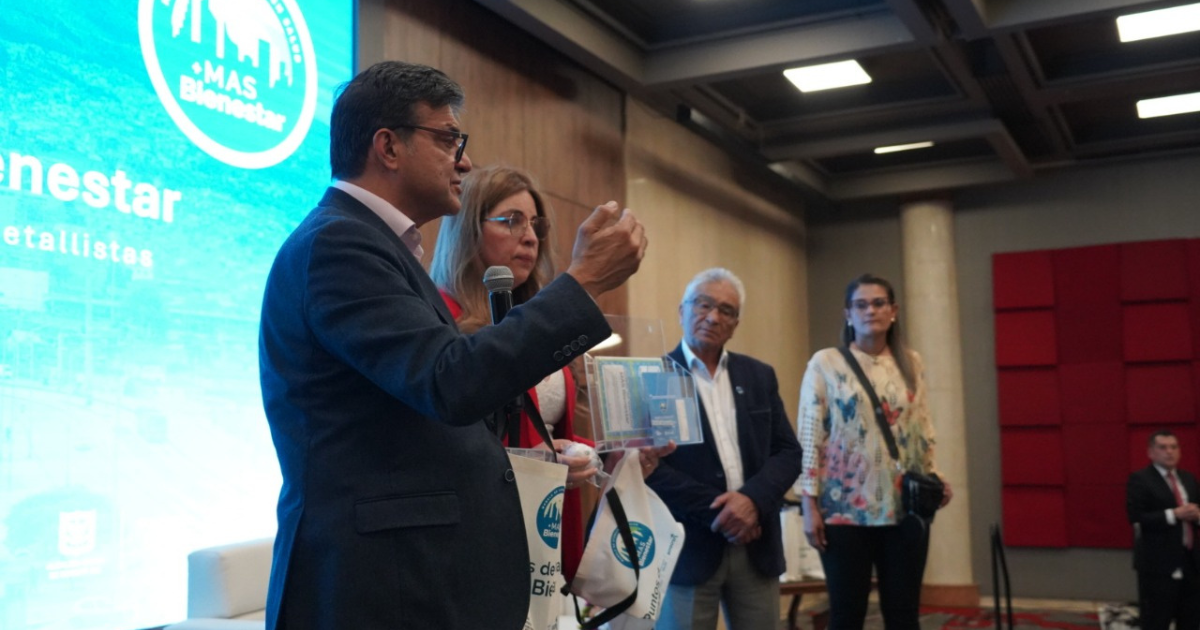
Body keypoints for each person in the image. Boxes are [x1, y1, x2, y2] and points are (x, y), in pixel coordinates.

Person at [258, 61, 647, 630]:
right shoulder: (339, 245)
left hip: (417, 579)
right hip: (383, 586)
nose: (464, 159)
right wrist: (581, 283)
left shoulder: (377, 246)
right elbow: (448, 382)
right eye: (447, 140)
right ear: (387, 146)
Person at [428, 164, 597, 583]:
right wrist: (537, 459)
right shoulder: (439, 321)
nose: (531, 237)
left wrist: (605, 456)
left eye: (535, 225)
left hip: (547, 522)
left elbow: (548, 427)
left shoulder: (538, 323)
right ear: (468, 228)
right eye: (511, 221)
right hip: (480, 533)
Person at [646, 267, 803, 630]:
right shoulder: (655, 376)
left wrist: (751, 502)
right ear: (681, 310)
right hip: (689, 545)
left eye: (726, 310)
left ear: (735, 323)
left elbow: (788, 451)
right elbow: (652, 469)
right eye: (703, 304)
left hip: (756, 544)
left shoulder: (758, 376)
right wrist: (724, 513)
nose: (713, 316)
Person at [795, 273, 952, 630]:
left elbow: (923, 428)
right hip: (843, 510)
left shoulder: (911, 363)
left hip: (904, 508)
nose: (870, 311)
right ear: (848, 314)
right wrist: (809, 504)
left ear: (893, 311)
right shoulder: (825, 363)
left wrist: (936, 476)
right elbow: (809, 435)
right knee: (847, 615)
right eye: (861, 304)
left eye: (878, 303)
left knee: (903, 614)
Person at [1126, 429, 1200, 630]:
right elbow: (1137, 517)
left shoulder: (1189, 479)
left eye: (1174, 447)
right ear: (1151, 452)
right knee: (1157, 620)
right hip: (1158, 565)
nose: (1169, 452)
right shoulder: (1140, 479)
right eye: (1163, 447)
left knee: (1192, 619)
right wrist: (1174, 514)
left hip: (1191, 563)